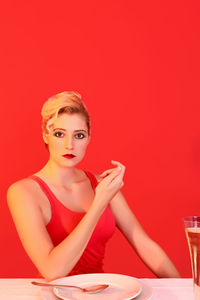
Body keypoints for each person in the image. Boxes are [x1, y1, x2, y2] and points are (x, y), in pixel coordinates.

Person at [7, 91, 181, 281]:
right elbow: (53, 271)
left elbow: (144, 244)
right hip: (54, 294)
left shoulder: (101, 184)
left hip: (99, 292)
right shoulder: (23, 192)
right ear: (45, 136)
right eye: (59, 134)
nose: (69, 145)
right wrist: (98, 204)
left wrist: (187, 290)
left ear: (89, 138)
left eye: (79, 135)